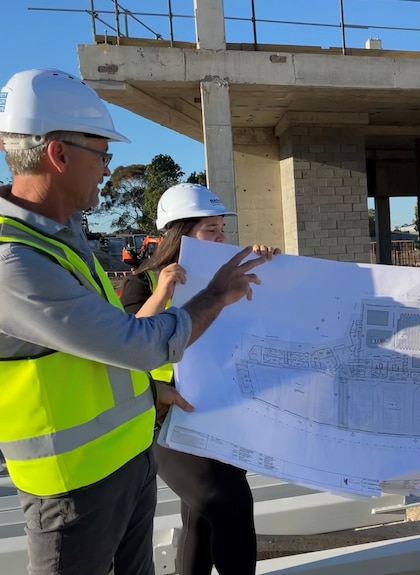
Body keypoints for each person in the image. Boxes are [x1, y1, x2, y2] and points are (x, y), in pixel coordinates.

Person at [0, 68, 271, 575]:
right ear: (59, 155)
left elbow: (87, 352)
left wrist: (147, 396)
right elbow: (135, 343)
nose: (107, 169)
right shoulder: (14, 262)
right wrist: (215, 294)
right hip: (72, 487)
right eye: (102, 154)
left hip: (130, 457)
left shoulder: (63, 236)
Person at [120, 183, 280, 575]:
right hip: (165, 421)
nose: (222, 238)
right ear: (181, 233)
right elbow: (126, 343)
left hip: (218, 413)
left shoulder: (228, 277)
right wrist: (162, 292)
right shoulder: (143, 282)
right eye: (211, 229)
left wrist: (269, 266)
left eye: (223, 229)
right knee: (230, 505)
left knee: (200, 518)